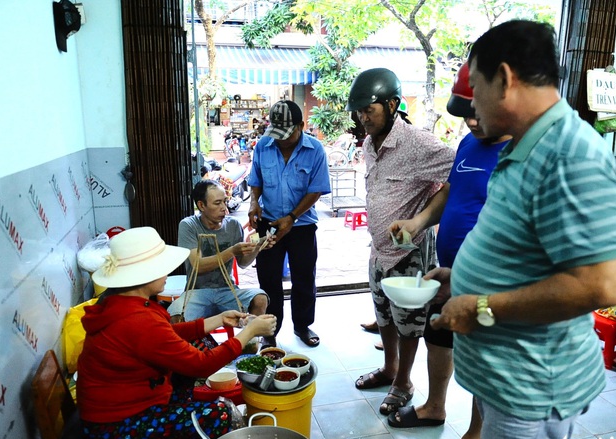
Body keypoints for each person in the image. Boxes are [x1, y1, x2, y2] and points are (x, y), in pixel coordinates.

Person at [427, 20, 616, 439]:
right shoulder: (524, 146)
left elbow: (602, 284)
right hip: (510, 382)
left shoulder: (570, 153)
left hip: (533, 388)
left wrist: (480, 305)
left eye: (475, 88)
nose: (472, 103)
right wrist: (460, 280)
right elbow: (527, 251)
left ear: (505, 77)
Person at [387, 61, 510, 439]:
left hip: (493, 279)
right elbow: (453, 191)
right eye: (465, 113)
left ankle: (476, 438)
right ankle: (434, 407)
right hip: (451, 268)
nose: (472, 121)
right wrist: (419, 222)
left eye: (479, 111)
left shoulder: (522, 157)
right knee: (437, 333)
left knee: (483, 355)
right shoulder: (469, 144)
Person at [76, 227, 277, 439]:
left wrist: (219, 319)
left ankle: (187, 431)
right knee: (220, 414)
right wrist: (249, 333)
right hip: (115, 425)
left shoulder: (125, 302)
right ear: (144, 274)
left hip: (125, 403)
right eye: (162, 266)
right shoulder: (137, 319)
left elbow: (167, 334)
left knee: (198, 344)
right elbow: (201, 364)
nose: (168, 272)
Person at [346, 68, 454, 415]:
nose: (363, 118)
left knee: (409, 322)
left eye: (370, 110)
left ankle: (403, 381)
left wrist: (421, 219)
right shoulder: (368, 143)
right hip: (379, 251)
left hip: (409, 252)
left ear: (393, 104)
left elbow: (456, 179)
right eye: (360, 111)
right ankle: (390, 368)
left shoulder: (418, 143)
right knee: (384, 316)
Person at [247, 100, 331, 348]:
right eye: (278, 134)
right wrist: (254, 203)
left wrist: (292, 217)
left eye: (287, 134)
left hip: (302, 225)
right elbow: (256, 179)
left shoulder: (315, 150)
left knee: (304, 277)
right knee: (268, 278)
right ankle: (270, 331)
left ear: (301, 126)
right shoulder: (263, 145)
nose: (282, 140)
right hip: (269, 224)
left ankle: (302, 325)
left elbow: (316, 190)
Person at [170, 179, 269, 323]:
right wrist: (232, 250)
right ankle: (189, 346)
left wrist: (257, 247)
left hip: (227, 291)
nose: (224, 208)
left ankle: (249, 343)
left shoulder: (233, 225)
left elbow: (242, 263)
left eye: (224, 201)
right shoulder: (189, 225)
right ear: (201, 205)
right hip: (197, 292)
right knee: (176, 316)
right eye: (217, 203)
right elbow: (198, 266)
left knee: (260, 298)